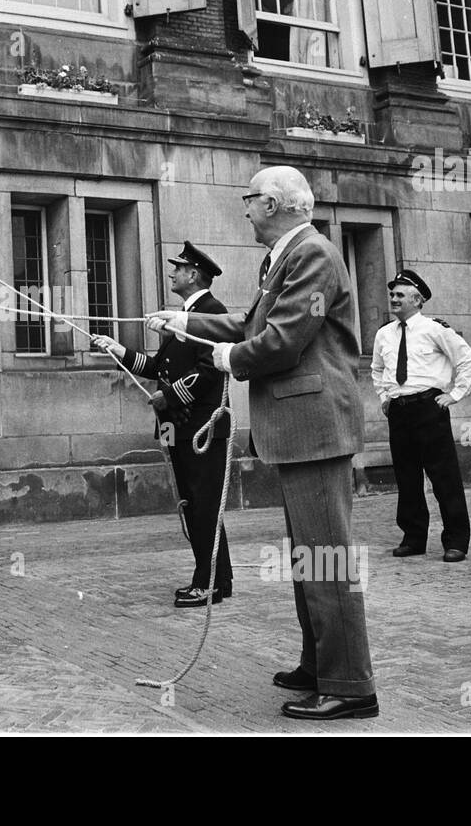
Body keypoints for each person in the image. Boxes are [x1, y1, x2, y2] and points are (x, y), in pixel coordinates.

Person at [147, 165, 377, 721]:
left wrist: (226, 359)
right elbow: (250, 323)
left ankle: (350, 684)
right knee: (309, 556)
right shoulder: (285, 256)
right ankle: (320, 663)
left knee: (326, 559)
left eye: (249, 199)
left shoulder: (313, 254)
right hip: (300, 428)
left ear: (273, 204)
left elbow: (280, 341)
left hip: (315, 427)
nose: (245, 209)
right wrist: (183, 323)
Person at [91, 242, 232, 609]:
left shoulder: (212, 314)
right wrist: (116, 349)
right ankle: (221, 578)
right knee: (195, 504)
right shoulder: (182, 315)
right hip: (180, 427)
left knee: (203, 505)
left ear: (194, 275)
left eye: (178, 268)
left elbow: (209, 371)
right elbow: (157, 367)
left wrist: (167, 398)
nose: (172, 274)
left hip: (202, 427)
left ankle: (208, 583)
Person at [371, 269, 471, 562]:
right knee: (407, 478)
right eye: (392, 294)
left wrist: (454, 395)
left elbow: (468, 360)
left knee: (444, 477)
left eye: (400, 294)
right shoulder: (384, 334)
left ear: (417, 300)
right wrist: (384, 397)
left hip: (429, 408)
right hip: (399, 411)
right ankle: (413, 537)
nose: (394, 298)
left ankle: (456, 540)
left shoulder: (435, 330)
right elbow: (377, 370)